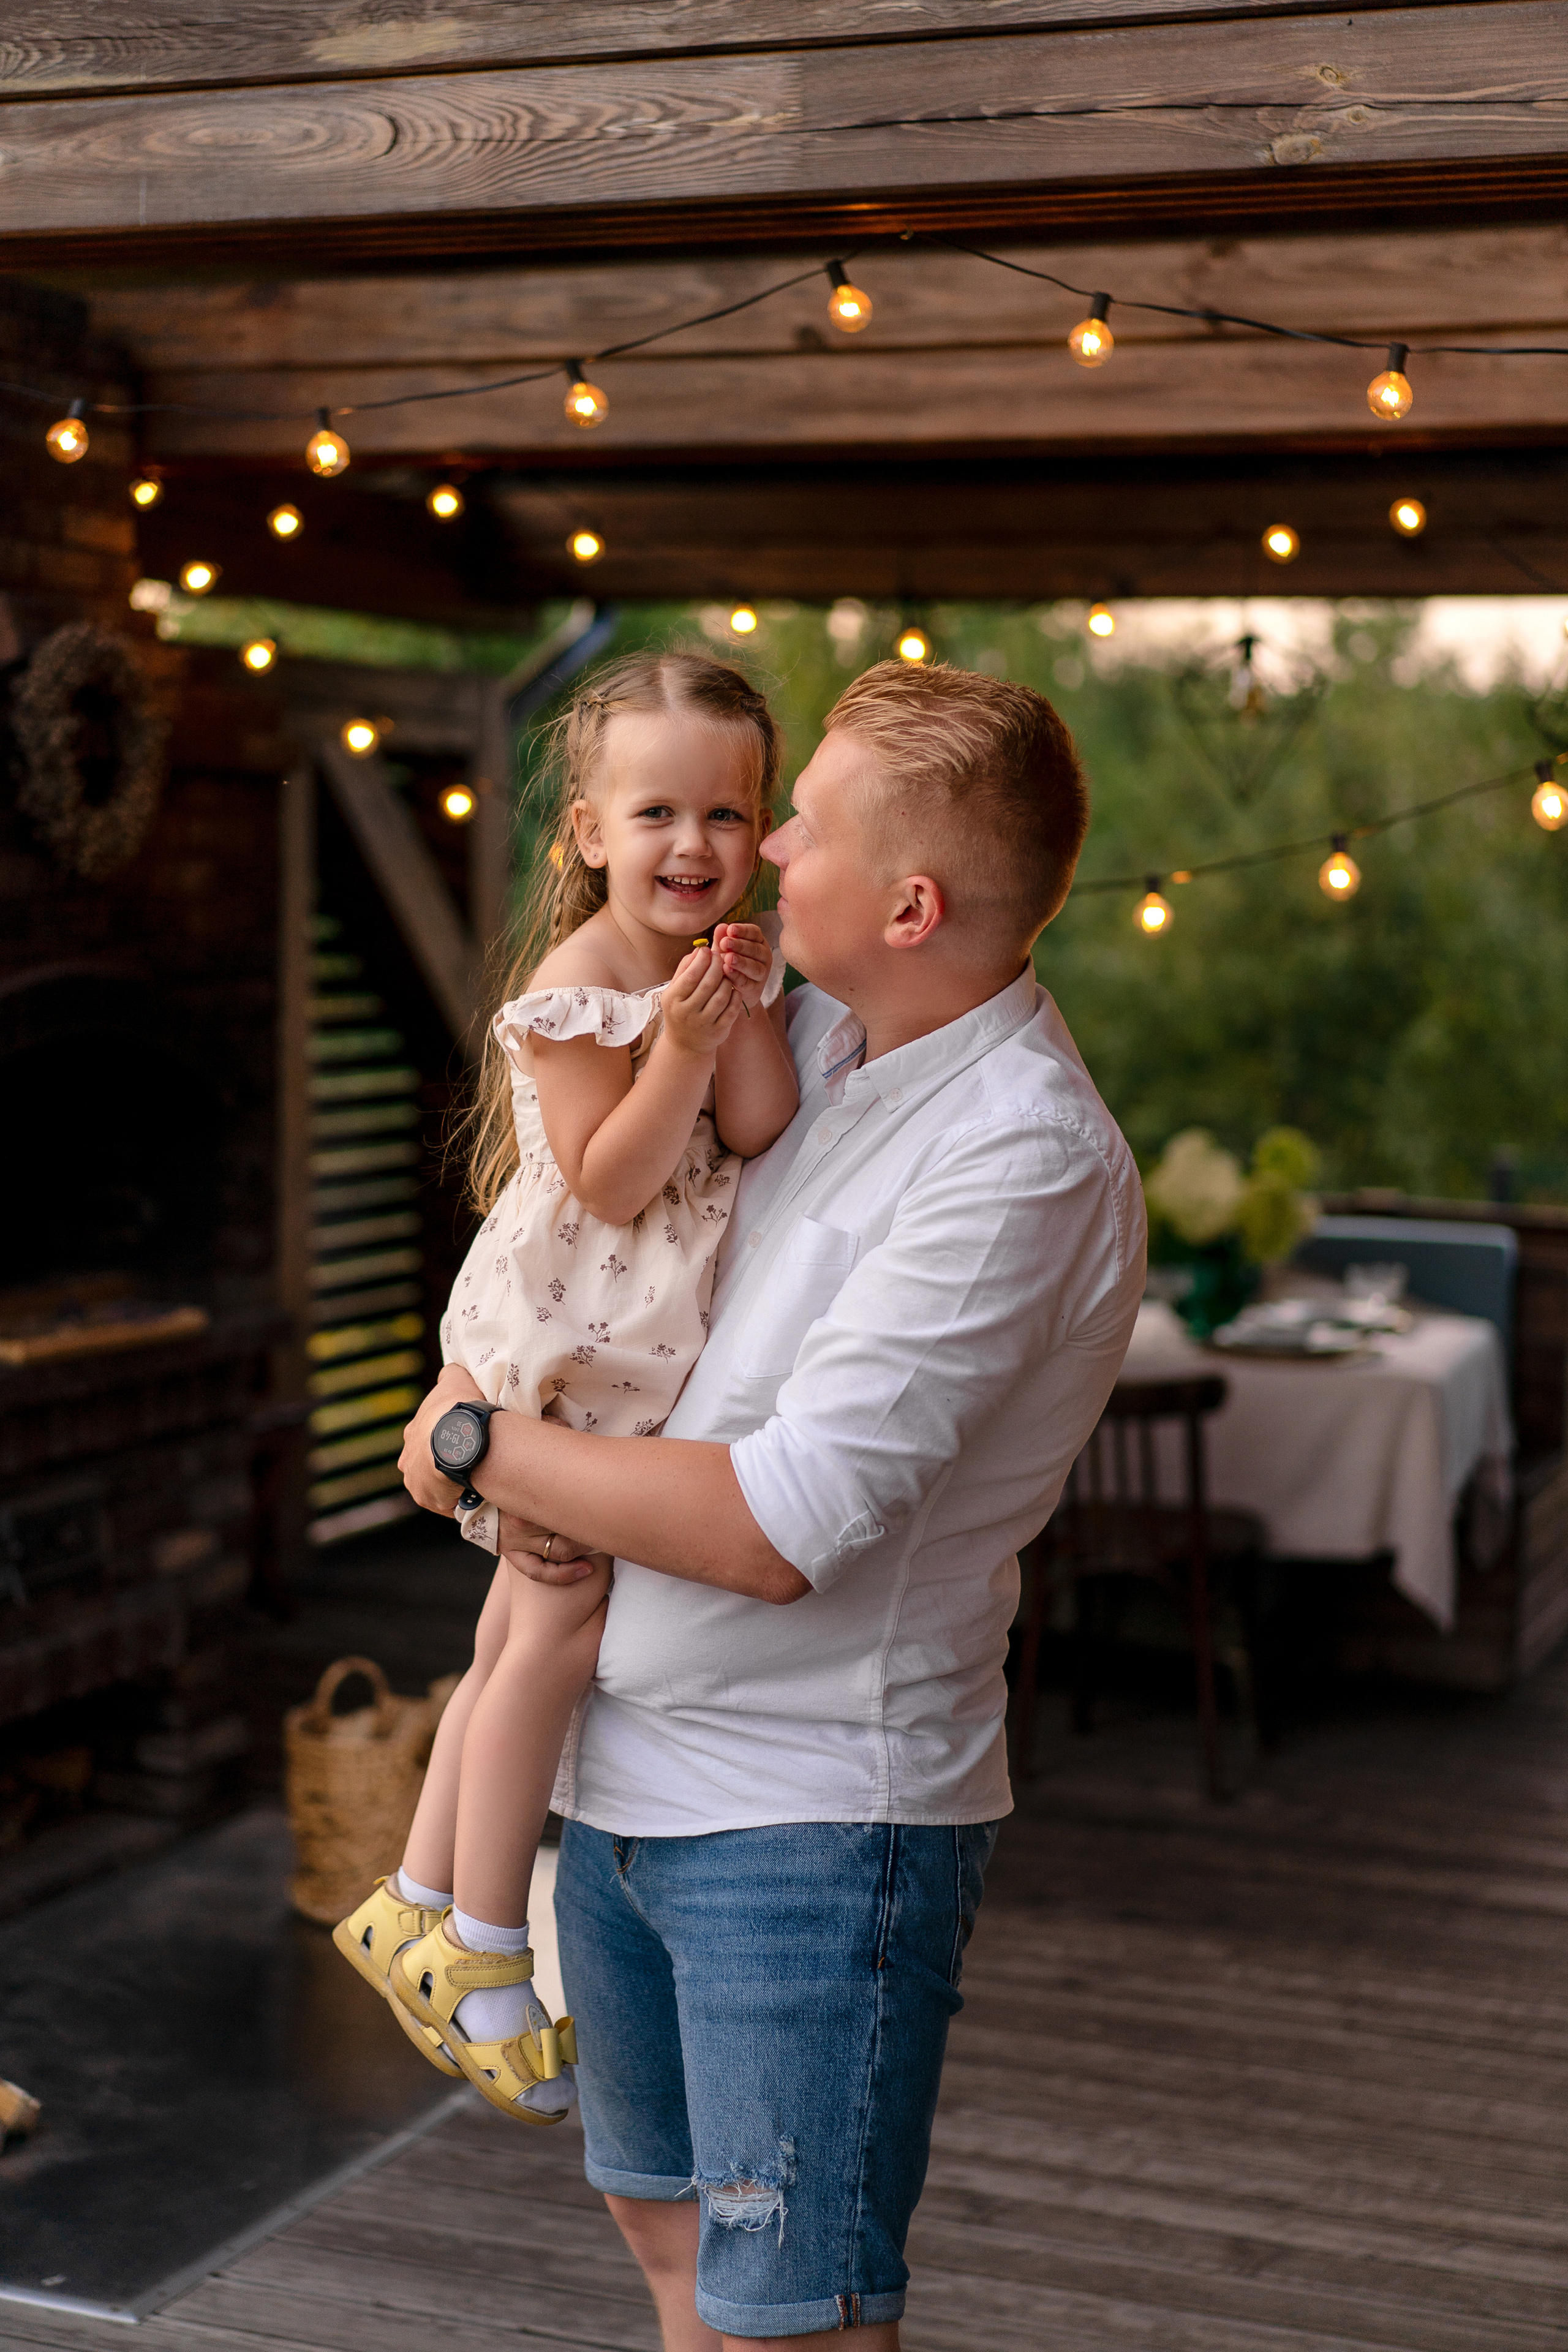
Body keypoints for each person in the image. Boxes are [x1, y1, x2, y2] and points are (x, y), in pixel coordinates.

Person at [399, 658, 1147, 2348]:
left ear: (912, 901)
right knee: (672, 2257)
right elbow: (591, 1221)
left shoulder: (1021, 1155)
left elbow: (777, 1525)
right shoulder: (801, 1026)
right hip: (623, 1782)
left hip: (810, 1829)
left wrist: (469, 1447)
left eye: (792, 817)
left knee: (785, 2321)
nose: (758, 846)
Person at [336, 652, 798, 2124]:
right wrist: (675, 1042)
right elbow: (609, 1182)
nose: (693, 847)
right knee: (554, 1636)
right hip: (568, 1345)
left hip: (621, 1349)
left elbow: (765, 1123)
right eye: (656, 811)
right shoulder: (576, 991)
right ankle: (482, 1948)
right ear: (589, 831)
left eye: (727, 815)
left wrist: (743, 1012)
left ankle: (410, 1896)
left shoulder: (713, 969)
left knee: (503, 1643)